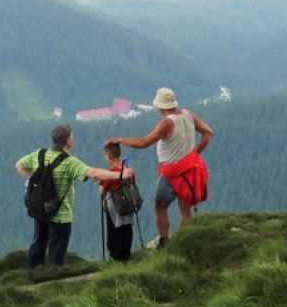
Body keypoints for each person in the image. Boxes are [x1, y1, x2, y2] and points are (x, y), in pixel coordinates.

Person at [106, 88, 213, 248]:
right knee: (185, 210)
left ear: (160, 106)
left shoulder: (167, 123)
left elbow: (144, 142)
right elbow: (207, 132)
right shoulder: (188, 114)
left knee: (160, 206)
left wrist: (120, 139)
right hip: (190, 170)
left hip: (171, 173)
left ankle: (164, 241)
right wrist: (196, 154)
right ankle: (182, 243)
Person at [16, 125, 127, 268]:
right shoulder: (69, 162)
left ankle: (31, 275)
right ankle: (53, 279)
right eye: (71, 136)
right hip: (61, 215)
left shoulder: (39, 154)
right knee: (56, 253)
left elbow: (19, 165)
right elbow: (93, 173)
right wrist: (121, 175)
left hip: (40, 210)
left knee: (38, 243)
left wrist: (33, 181)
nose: (72, 138)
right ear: (67, 141)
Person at [100, 142, 136, 261]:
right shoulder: (129, 171)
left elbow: (102, 191)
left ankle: (115, 256)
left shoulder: (111, 173)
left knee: (114, 231)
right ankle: (126, 254)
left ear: (108, 156)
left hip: (115, 208)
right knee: (126, 230)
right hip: (129, 205)